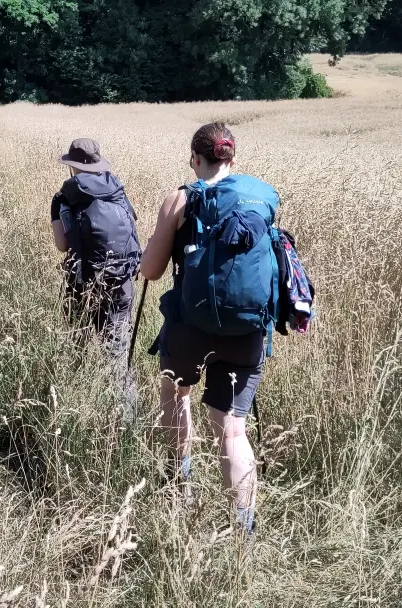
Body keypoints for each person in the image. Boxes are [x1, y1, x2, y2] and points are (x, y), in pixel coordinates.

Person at [140, 122, 279, 535]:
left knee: (175, 393)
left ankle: (181, 483)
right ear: (232, 159)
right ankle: (244, 534)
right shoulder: (259, 198)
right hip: (248, 332)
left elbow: (151, 269)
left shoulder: (181, 199)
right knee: (233, 430)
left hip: (190, 328)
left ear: (194, 159)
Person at [50, 138, 142, 425]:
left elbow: (62, 246)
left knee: (76, 345)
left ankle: (76, 410)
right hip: (122, 281)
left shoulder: (63, 198)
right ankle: (127, 422)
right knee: (116, 355)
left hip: (83, 282)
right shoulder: (118, 190)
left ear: (72, 167)